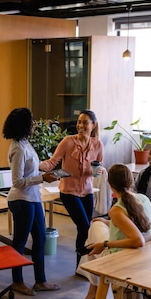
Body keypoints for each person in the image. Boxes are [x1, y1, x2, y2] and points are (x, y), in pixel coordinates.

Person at [76, 164, 151, 299]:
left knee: (92, 241)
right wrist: (108, 222)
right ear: (132, 181)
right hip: (148, 256)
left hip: (123, 259)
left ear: (110, 183)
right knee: (97, 227)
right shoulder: (143, 199)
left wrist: (105, 244)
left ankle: (93, 290)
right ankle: (92, 290)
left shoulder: (116, 210)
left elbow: (138, 240)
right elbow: (132, 223)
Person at [2, 107, 60, 296]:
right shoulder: (18, 148)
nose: (34, 124)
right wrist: (43, 178)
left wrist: (48, 170)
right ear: (23, 125)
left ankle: (40, 281)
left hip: (32, 197)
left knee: (41, 238)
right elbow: (17, 182)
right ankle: (17, 281)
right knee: (19, 242)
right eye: (31, 121)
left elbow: (33, 168)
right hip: (21, 200)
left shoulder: (25, 143)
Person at [39, 110, 104, 267]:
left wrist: (99, 171)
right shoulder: (68, 141)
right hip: (69, 192)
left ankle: (81, 265)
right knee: (84, 226)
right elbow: (53, 162)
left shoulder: (98, 144)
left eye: (85, 122)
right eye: (79, 122)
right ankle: (82, 265)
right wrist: (38, 165)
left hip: (87, 192)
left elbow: (100, 165)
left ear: (93, 125)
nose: (80, 125)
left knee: (84, 230)